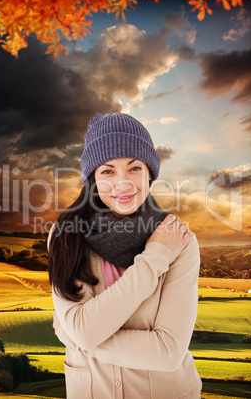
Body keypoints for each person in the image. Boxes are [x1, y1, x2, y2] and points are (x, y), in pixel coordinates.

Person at [48, 113, 202, 398]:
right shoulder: (65, 236)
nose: (123, 184)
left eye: (134, 169)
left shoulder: (177, 239)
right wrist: (155, 258)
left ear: (149, 173)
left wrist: (81, 341)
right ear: (93, 177)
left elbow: (168, 352)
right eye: (108, 171)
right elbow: (84, 330)